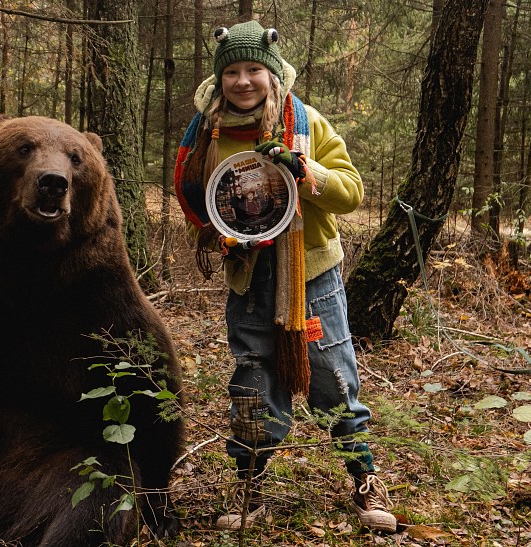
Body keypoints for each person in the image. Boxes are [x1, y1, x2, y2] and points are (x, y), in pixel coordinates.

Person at [173, 20, 396, 533]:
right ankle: (250, 485)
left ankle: (365, 479)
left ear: (273, 75)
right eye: (232, 71)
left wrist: (306, 172)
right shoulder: (208, 131)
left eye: (254, 69)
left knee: (334, 375)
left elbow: (352, 191)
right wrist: (219, 234)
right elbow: (194, 194)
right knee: (252, 378)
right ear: (220, 76)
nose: (243, 81)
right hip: (248, 277)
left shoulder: (306, 121)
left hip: (311, 272)